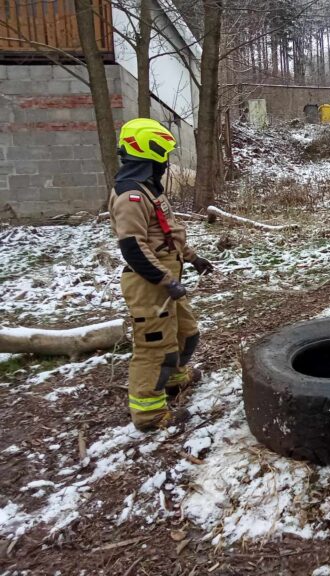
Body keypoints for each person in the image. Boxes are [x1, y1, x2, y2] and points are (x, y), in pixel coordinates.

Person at [109, 118, 214, 432]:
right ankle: (149, 414)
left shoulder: (148, 190)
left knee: (188, 333)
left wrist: (194, 259)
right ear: (148, 154)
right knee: (156, 349)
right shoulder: (131, 196)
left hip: (168, 279)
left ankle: (174, 380)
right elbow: (134, 248)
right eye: (164, 155)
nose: (167, 163)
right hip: (149, 285)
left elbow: (167, 236)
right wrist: (166, 281)